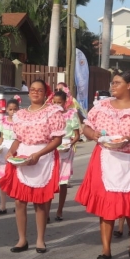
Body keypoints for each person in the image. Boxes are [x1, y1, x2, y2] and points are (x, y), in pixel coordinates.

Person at [76, 71, 130, 259]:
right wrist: (93, 135)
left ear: (129, 86)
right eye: (112, 83)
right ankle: (106, 248)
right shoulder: (102, 106)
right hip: (106, 157)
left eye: (117, 83)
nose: (112, 86)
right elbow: (87, 127)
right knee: (107, 203)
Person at [0, 79, 64, 254]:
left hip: (43, 156)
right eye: (33, 90)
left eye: (39, 90)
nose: (35, 92)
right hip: (22, 157)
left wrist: (38, 155)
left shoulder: (52, 112)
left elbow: (57, 139)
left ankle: (40, 240)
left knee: (40, 203)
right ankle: (22, 239)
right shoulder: (20, 114)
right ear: (29, 93)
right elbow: (18, 139)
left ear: (45, 93)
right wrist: (11, 152)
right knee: (20, 201)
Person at [51, 90, 80, 221]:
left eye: (60, 102)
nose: (57, 105)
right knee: (50, 181)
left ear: (65, 103)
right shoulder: (49, 115)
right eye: (55, 102)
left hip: (66, 148)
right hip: (51, 148)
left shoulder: (71, 115)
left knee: (62, 182)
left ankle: (59, 210)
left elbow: (77, 135)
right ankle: (46, 210)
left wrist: (69, 144)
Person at [0, 97, 19, 215]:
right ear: (7, 110)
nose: (12, 112)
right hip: (4, 150)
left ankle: (18, 204)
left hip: (15, 149)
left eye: (15, 109)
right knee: (1, 180)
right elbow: (1, 137)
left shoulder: (20, 122)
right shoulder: (3, 121)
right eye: (10, 109)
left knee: (15, 179)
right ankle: (3, 206)